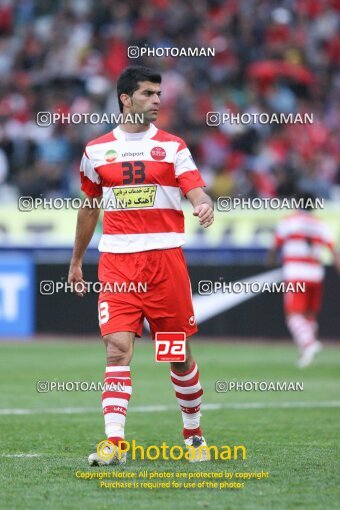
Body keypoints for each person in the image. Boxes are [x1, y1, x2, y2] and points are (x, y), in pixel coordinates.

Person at [68, 66, 214, 465]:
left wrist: (202, 203)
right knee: (117, 351)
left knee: (176, 354)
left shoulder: (173, 147)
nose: (157, 99)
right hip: (117, 263)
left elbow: (195, 188)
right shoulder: (96, 151)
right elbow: (88, 208)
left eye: (159, 93)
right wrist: (77, 259)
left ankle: (193, 432)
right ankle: (114, 444)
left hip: (165, 261)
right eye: (148, 93)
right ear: (125, 99)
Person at [267, 193, 340, 368]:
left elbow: (275, 245)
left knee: (293, 314)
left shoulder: (289, 221)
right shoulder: (321, 225)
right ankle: (306, 353)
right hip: (315, 273)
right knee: (309, 315)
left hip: (296, 272)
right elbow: (334, 253)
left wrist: (270, 260)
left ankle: (308, 344)